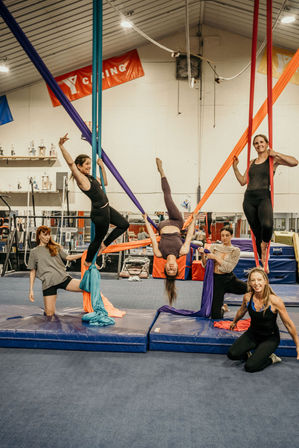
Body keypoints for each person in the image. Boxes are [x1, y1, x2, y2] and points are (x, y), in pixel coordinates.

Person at [58, 134, 129, 267]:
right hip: (100, 213)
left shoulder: (89, 176)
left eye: (90, 164)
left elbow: (105, 183)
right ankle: (88, 261)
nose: (89, 166)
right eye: (87, 164)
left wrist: (102, 167)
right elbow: (70, 163)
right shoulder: (81, 179)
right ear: (79, 166)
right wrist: (61, 146)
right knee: (97, 239)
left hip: (106, 208)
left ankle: (104, 245)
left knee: (124, 224)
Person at [233, 134, 298, 269]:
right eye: (256, 143)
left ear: (267, 143)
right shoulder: (251, 162)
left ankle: (264, 245)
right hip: (249, 199)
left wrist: (276, 153)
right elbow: (242, 181)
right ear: (254, 146)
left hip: (264, 197)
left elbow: (294, 162)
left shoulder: (272, 160)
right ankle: (263, 263)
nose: (259, 145)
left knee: (267, 225)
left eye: (261, 142)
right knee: (257, 233)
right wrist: (235, 167)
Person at [28, 226, 124, 317]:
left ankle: (104, 308)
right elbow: (32, 271)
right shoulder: (34, 252)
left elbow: (68, 257)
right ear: (39, 235)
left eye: (49, 234)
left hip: (63, 278)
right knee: (49, 314)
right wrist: (31, 289)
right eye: (45, 234)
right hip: (48, 283)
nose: (47, 237)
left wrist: (84, 254)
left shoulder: (55, 247)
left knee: (88, 286)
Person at [143, 158, 195, 304]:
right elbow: (189, 235)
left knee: (166, 199)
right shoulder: (182, 252)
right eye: (174, 270)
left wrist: (146, 221)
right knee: (167, 197)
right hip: (177, 221)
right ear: (178, 267)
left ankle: (161, 171)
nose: (172, 268)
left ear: (165, 268)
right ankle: (161, 171)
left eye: (169, 270)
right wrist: (195, 219)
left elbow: (153, 237)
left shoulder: (159, 254)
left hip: (162, 225)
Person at [227, 267, 299, 372]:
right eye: (253, 280)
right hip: (253, 334)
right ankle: (250, 353)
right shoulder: (247, 297)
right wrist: (234, 321)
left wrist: (297, 345)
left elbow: (288, 324)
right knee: (232, 354)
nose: (256, 283)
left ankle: (271, 358)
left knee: (250, 367)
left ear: (265, 281)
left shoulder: (275, 301)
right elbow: (241, 311)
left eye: (259, 280)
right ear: (250, 283)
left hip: (270, 338)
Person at [199, 226, 247, 319]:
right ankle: (224, 308)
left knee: (250, 288)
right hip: (216, 280)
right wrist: (202, 254)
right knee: (215, 316)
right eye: (222, 235)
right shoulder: (214, 247)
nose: (224, 238)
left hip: (229, 279)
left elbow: (229, 268)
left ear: (231, 236)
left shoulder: (235, 250)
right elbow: (205, 265)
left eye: (227, 235)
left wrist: (216, 257)